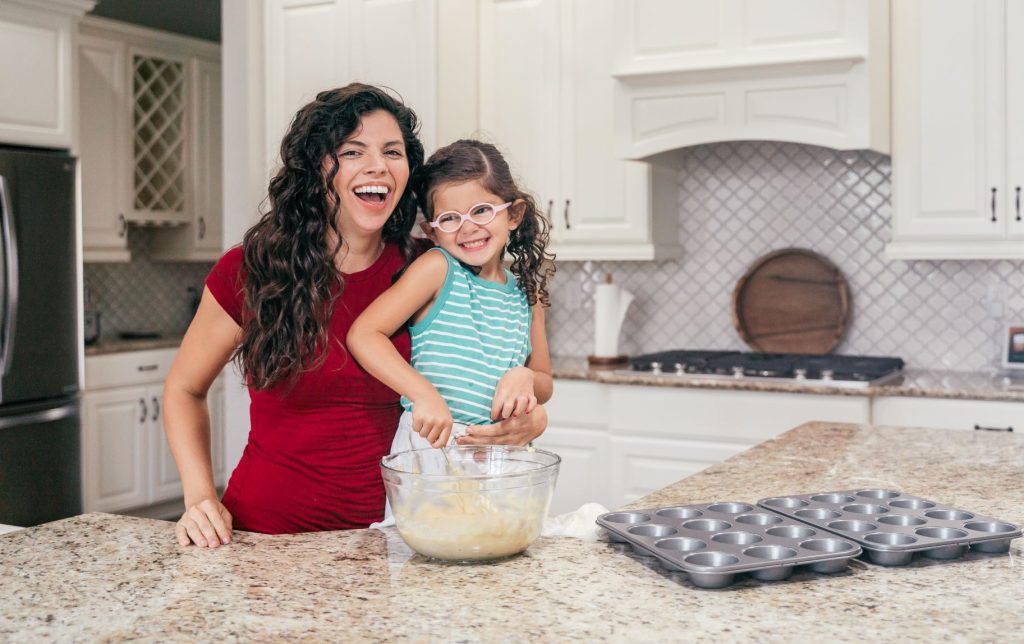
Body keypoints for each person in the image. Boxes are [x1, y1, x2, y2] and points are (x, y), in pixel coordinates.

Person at [163, 85, 549, 548]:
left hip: (399, 543)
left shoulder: (436, 267)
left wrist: (532, 419)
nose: (378, 166)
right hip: (267, 540)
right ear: (317, 167)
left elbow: (493, 368)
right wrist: (200, 497)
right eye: (352, 151)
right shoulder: (253, 270)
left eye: (392, 151)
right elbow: (184, 389)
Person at [347, 139, 555, 455]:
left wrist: (524, 377)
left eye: (482, 210)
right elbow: (364, 334)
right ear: (432, 232)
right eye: (449, 218)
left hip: (498, 452)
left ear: (514, 214)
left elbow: (544, 382)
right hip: (431, 447)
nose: (467, 228)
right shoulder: (438, 269)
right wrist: (422, 394)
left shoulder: (529, 297)